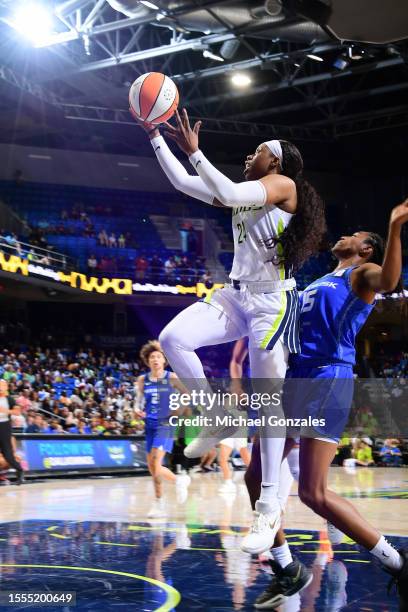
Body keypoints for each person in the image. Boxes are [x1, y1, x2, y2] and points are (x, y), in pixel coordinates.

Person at [132, 107, 327, 551]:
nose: (248, 154)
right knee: (173, 339)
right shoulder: (245, 191)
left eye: (256, 150)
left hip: (272, 301)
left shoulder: (284, 185)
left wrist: (197, 153)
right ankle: (217, 416)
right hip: (237, 294)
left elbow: (228, 189)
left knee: (267, 399)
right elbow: (184, 183)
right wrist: (154, 136)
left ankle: (270, 506)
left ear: (274, 161)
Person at [249, 200, 408, 609]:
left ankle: (395, 562)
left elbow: (390, 280)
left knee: (313, 493)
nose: (344, 236)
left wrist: (394, 227)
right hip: (294, 379)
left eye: (354, 235)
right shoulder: (318, 279)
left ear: (366, 248)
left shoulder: (362, 276)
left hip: (327, 379)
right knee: (255, 476)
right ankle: (287, 569)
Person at [135, 340, 191, 519]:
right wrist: (136, 409)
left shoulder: (171, 377)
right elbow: (137, 400)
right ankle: (176, 483)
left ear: (164, 360)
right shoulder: (143, 380)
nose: (155, 359)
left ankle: (160, 503)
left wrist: (180, 409)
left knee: (155, 462)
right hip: (150, 424)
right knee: (152, 466)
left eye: (158, 356)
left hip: (166, 424)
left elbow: (188, 394)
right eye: (152, 357)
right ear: (148, 360)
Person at [0, 380, 24, 484]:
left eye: (3, 385)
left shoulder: (9, 399)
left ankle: (19, 470)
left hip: (4, 426)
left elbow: (17, 412)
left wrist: (5, 411)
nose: (1, 387)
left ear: (6, 387)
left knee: (7, 455)